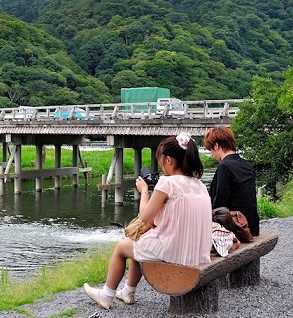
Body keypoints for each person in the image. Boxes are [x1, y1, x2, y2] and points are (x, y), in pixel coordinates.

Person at [83, 132, 212, 310]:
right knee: (139, 242)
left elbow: (145, 216)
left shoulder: (168, 183)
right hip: (196, 252)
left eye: (161, 160)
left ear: (169, 160)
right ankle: (128, 291)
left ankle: (106, 295)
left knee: (122, 247)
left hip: (174, 252)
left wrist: (144, 190)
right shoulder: (200, 185)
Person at [203, 127, 259, 236]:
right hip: (252, 226)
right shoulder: (247, 165)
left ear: (217, 145)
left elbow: (220, 201)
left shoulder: (224, 166)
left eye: (211, 150)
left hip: (236, 229)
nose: (212, 154)